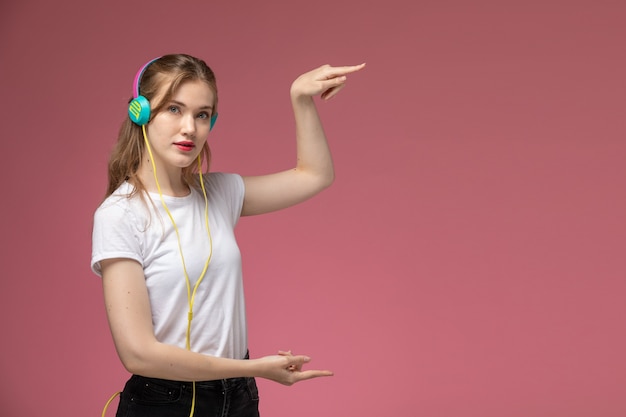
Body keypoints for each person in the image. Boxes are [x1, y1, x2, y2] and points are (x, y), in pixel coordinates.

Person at [91, 53, 364, 417]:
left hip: (237, 399)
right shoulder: (120, 214)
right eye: (174, 109)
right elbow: (137, 353)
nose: (189, 127)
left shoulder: (218, 194)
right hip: (165, 403)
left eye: (202, 114)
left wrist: (300, 98)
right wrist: (255, 368)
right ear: (140, 111)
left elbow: (315, 175)